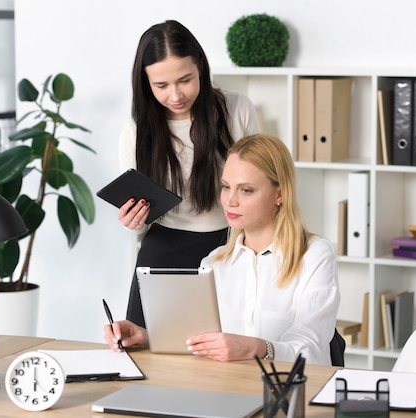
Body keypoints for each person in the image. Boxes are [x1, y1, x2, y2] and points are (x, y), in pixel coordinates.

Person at [105, 134, 340, 365]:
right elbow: (199, 342)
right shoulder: (213, 262)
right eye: (226, 187)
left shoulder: (314, 255)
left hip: (291, 392)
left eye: (246, 190)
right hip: (230, 391)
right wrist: (145, 337)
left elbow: (312, 349)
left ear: (280, 194)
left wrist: (257, 348)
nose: (229, 201)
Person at [117, 20, 260, 328]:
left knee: (226, 353)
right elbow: (138, 220)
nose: (176, 95)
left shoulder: (237, 109)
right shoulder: (136, 134)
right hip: (164, 250)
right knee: (149, 355)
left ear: (201, 69)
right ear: (145, 84)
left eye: (185, 80)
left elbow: (260, 182)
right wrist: (133, 220)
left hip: (232, 245)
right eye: (161, 86)